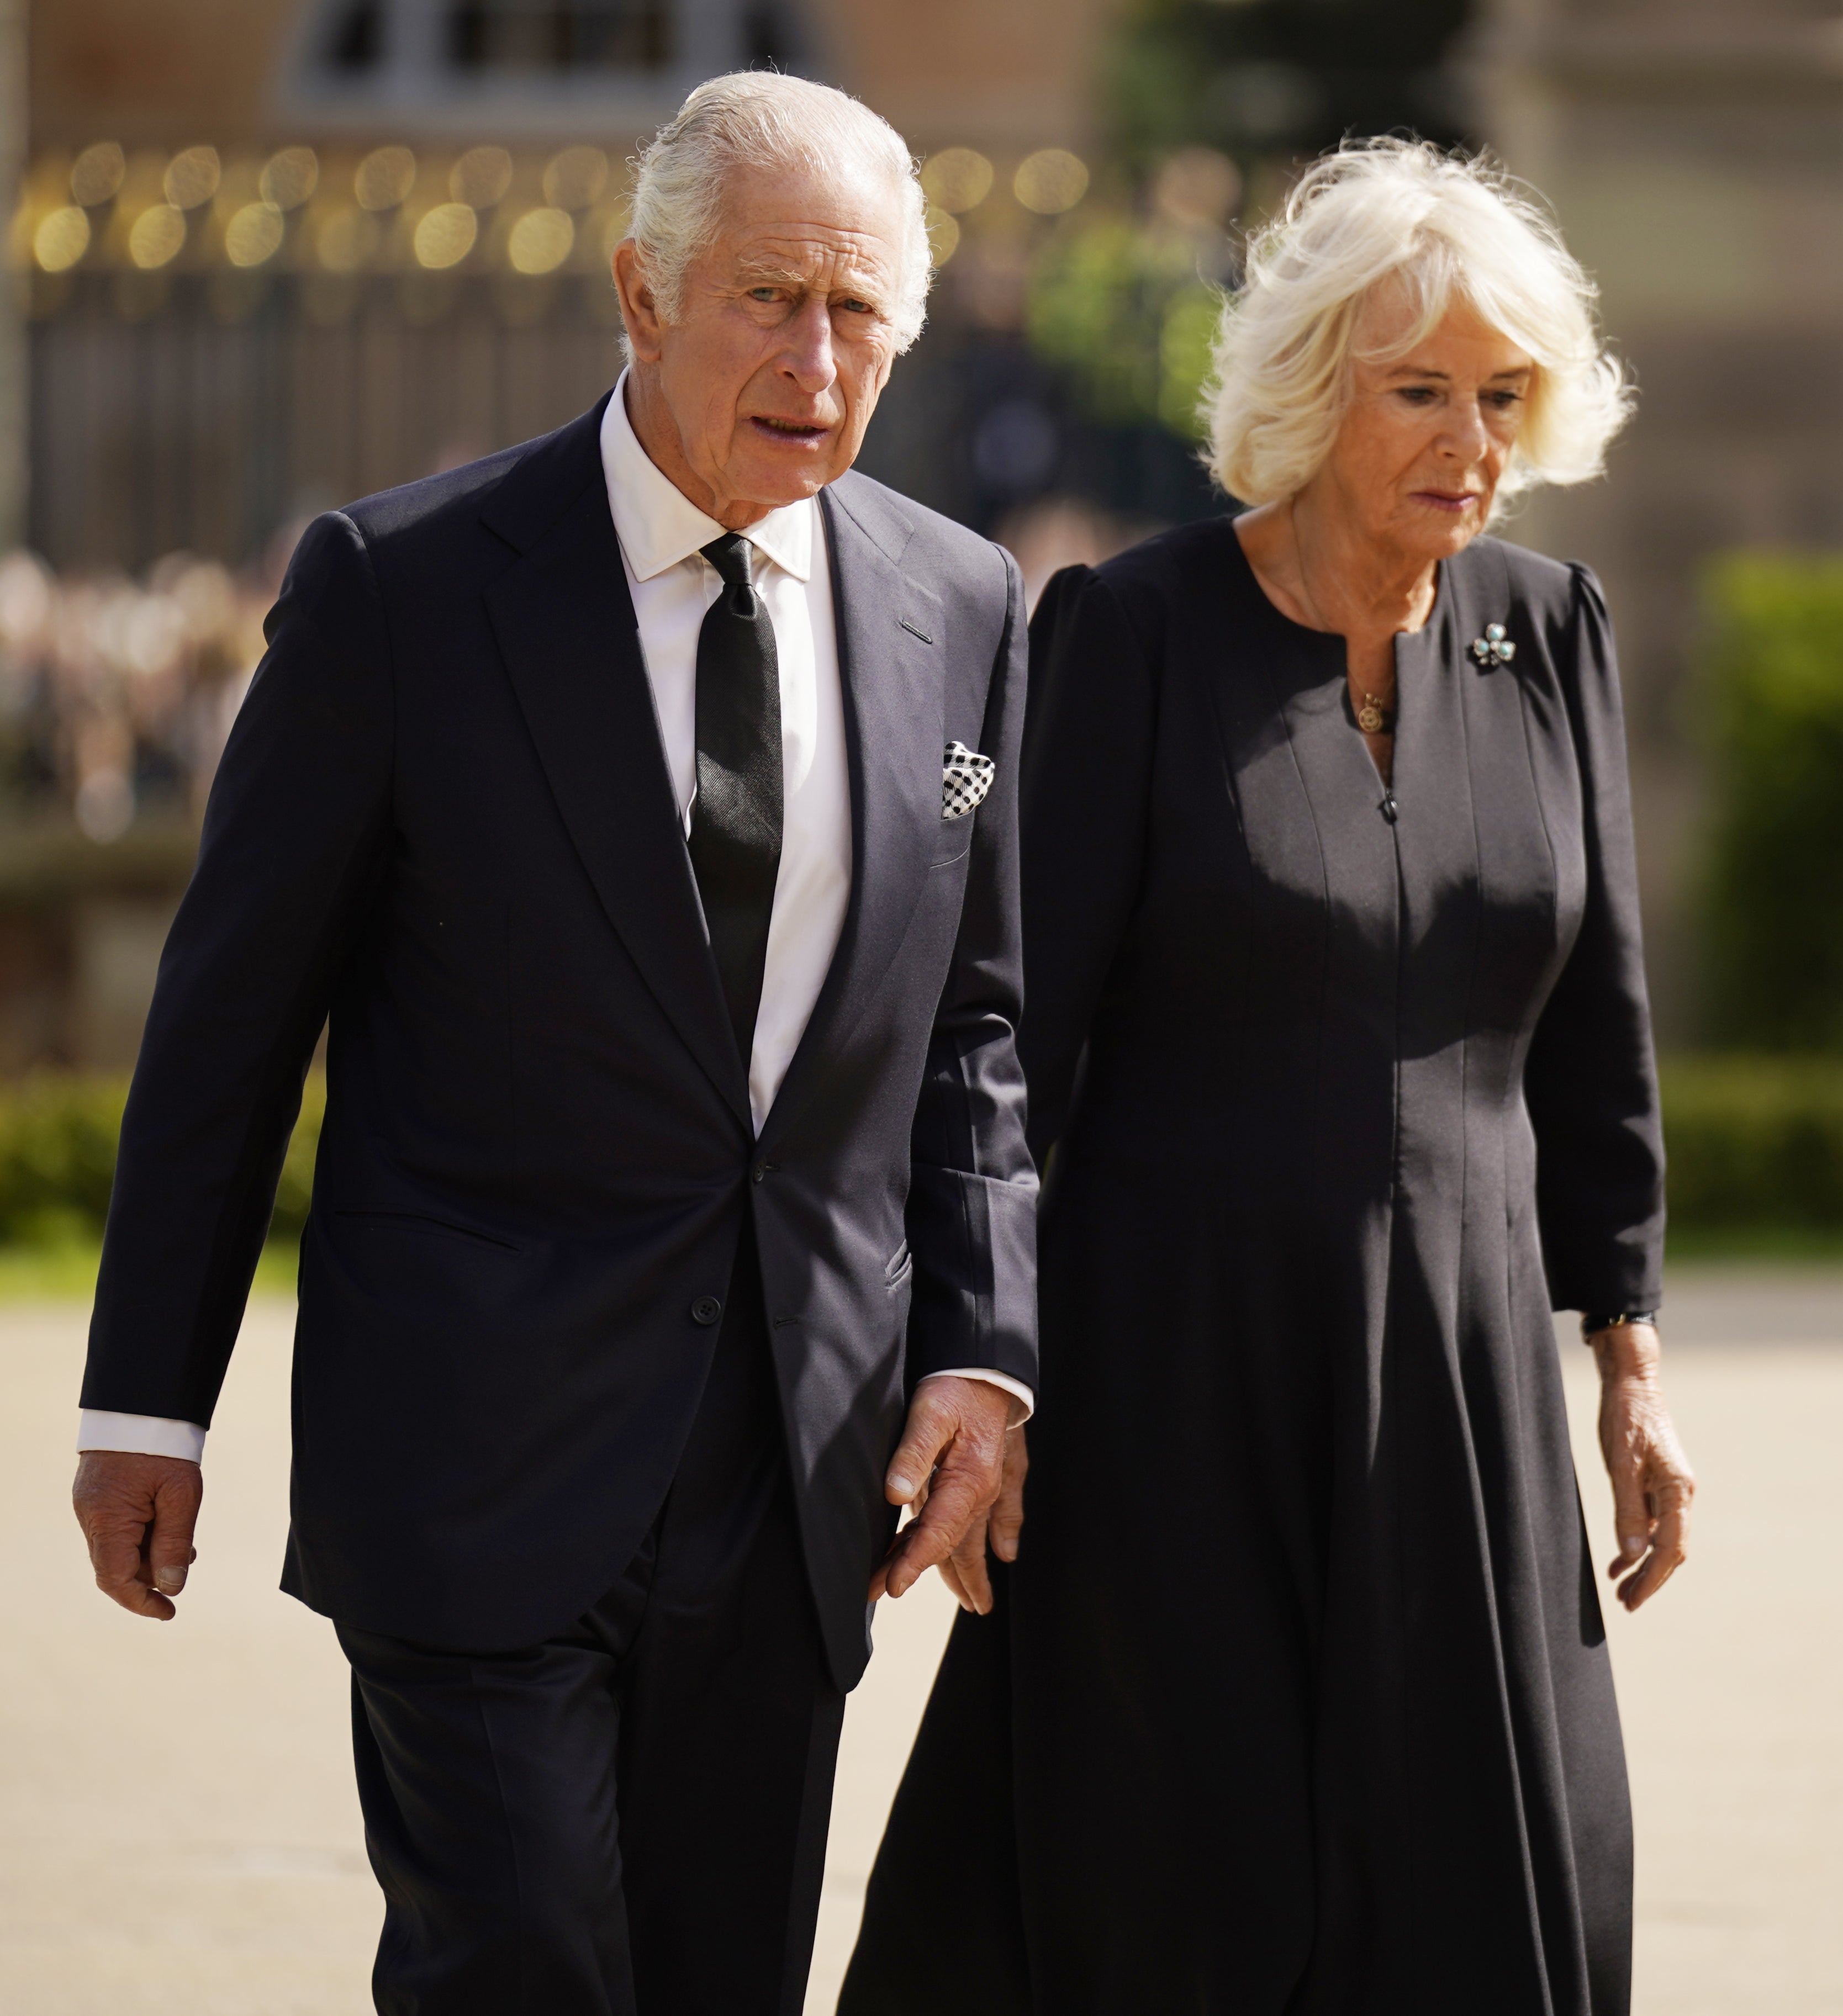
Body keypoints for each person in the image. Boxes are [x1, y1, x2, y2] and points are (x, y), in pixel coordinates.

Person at [70, 72, 1037, 2016]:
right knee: (516, 1966)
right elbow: (230, 1020)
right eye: (769, 296)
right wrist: (143, 1400)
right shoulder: (402, 590)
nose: (817, 356)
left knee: (719, 1979)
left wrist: (981, 1344)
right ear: (639, 290)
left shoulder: (963, 601)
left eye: (859, 313)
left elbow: (975, 1028)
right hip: (471, 1452)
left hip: (794, 1463)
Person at [843, 139, 1694, 2016]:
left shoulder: (1547, 631)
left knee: (1488, 1880)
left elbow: (1594, 1024)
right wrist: (977, 1371)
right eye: (1419, 392)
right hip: (1172, 1390)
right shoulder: (1130, 636)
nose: (1469, 440)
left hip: (1466, 1393)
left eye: (1497, 396)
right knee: (1165, 1894)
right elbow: (1001, 1042)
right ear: (1312, 393)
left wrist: (1624, 1351)